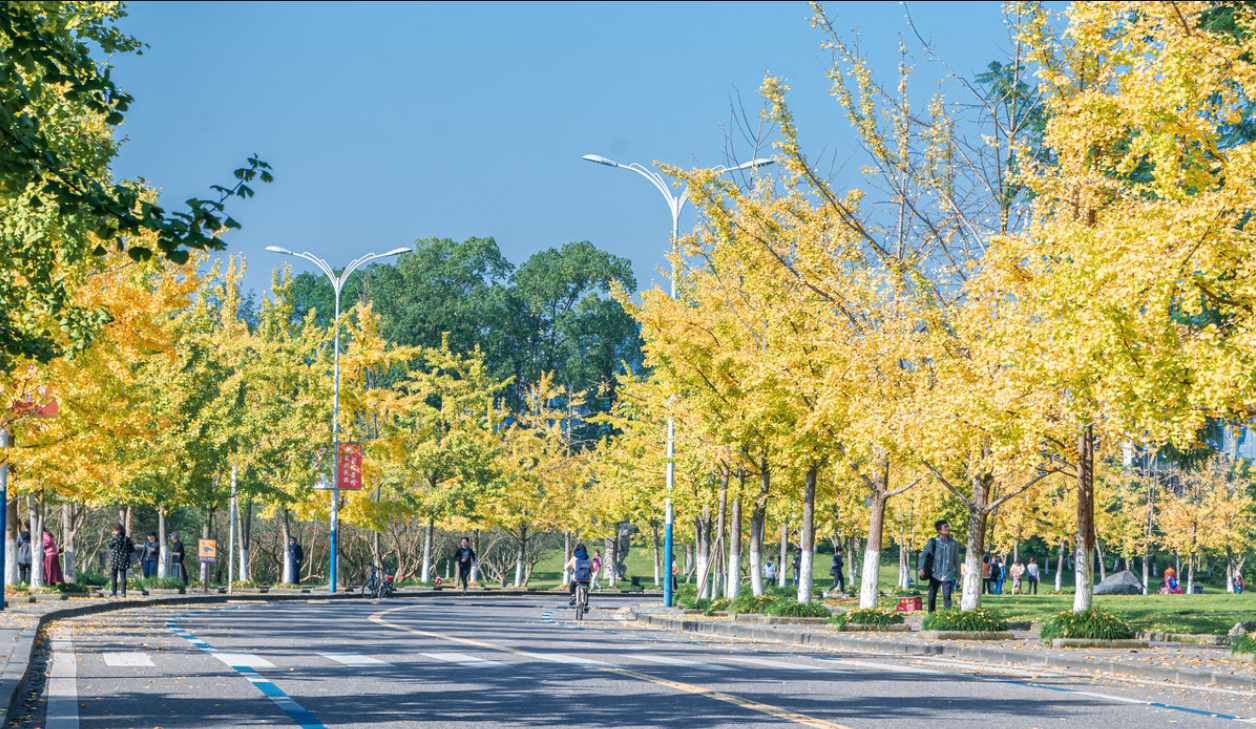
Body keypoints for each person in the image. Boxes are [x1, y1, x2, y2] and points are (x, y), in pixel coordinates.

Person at [919, 520, 959, 613]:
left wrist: (958, 574)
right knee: (932, 595)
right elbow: (923, 555)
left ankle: (947, 616)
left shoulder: (953, 543)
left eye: (948, 526)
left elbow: (956, 559)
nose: (948, 528)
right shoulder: (933, 542)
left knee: (947, 596)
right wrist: (921, 568)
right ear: (939, 530)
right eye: (945, 527)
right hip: (934, 573)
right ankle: (931, 615)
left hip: (947, 574)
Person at [107, 524, 134, 598]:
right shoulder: (127, 539)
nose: (113, 532)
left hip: (115, 559)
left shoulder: (114, 539)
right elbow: (132, 549)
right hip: (124, 559)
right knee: (123, 576)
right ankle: (123, 593)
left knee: (114, 576)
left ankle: (114, 593)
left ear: (118, 531)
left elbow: (109, 546)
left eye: (114, 530)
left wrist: (113, 538)